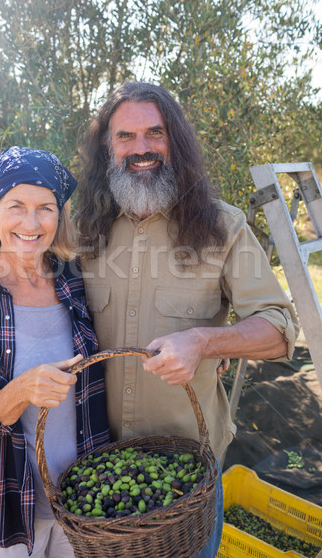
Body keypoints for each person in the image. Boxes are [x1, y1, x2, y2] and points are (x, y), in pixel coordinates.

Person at [74, 81, 299, 557]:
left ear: (175, 140)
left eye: (155, 133)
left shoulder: (223, 226)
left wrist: (204, 342)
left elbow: (279, 328)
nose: (141, 149)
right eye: (125, 137)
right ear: (106, 148)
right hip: (98, 468)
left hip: (187, 477)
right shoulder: (81, 227)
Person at [0, 146, 109, 557]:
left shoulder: (75, 281)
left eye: (45, 208)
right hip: (10, 508)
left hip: (84, 502)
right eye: (16, 205)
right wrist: (21, 391)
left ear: (59, 215)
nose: (31, 223)